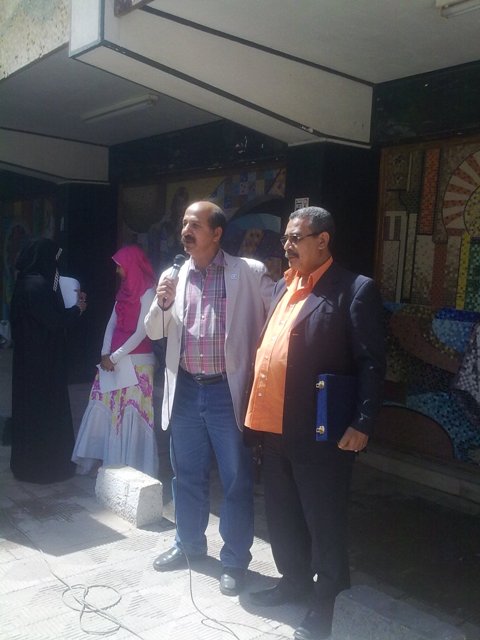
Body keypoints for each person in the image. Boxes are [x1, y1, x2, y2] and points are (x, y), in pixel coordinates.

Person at [244, 207, 385, 640]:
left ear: (322, 240)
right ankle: (293, 582)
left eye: (295, 238)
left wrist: (363, 421)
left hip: (322, 432)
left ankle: (328, 602)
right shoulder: (284, 286)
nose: (286, 246)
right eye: (285, 238)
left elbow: (371, 362)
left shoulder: (353, 289)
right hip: (274, 426)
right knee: (282, 515)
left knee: (324, 522)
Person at [144, 201, 273, 596]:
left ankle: (234, 560)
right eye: (184, 223)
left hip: (226, 391)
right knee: (186, 474)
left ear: (216, 233)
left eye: (195, 225)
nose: (186, 230)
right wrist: (163, 302)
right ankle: (188, 544)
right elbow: (153, 330)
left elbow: (277, 316)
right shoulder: (173, 275)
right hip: (185, 389)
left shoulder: (248, 272)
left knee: (236, 479)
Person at [72, 245, 159, 478]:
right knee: (107, 406)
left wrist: (114, 356)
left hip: (137, 363)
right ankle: (108, 461)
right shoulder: (123, 291)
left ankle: (131, 465)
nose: (118, 271)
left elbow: (142, 331)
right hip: (112, 360)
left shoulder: (148, 293)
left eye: (120, 266)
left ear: (131, 265)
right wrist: (104, 353)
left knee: (131, 411)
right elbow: (112, 323)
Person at [10, 238, 87, 484]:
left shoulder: (24, 283)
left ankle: (25, 465)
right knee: (46, 413)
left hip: (27, 361)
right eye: (53, 258)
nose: (56, 264)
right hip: (43, 364)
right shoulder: (38, 286)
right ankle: (47, 468)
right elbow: (54, 321)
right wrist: (77, 310)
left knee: (28, 412)